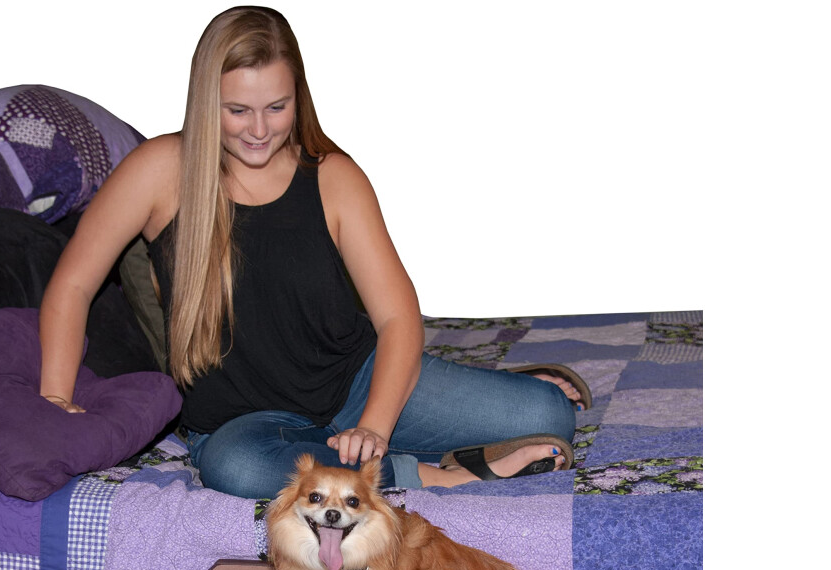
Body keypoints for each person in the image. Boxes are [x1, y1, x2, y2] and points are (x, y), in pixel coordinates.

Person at [38, 5, 587, 499]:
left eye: (276, 107)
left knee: (549, 413)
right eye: (237, 110)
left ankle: (419, 426)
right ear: (206, 101)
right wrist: (57, 399)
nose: (259, 130)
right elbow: (73, 283)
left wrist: (372, 427)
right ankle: (434, 474)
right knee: (239, 470)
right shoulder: (158, 171)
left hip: (354, 386)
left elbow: (397, 317)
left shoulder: (334, 177)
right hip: (243, 425)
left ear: (297, 95)